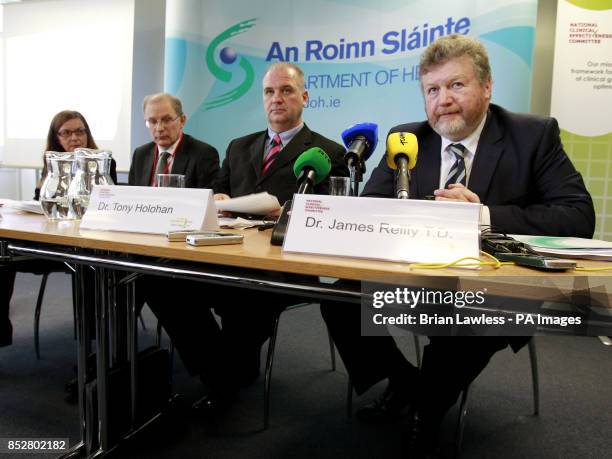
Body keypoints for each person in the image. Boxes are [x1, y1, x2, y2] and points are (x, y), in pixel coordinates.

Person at [320, 34, 594, 456]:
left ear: (487, 87)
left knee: (464, 326)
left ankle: (425, 415)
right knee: (335, 295)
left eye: (456, 85)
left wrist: (482, 214)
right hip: (414, 281)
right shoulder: (405, 141)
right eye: (432, 89)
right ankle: (408, 384)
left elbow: (578, 216)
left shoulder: (532, 135)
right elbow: (371, 207)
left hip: (495, 293)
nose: (443, 99)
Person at [146, 63, 347, 419]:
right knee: (159, 280)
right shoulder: (240, 146)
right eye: (269, 92)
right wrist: (221, 199)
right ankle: (221, 372)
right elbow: (220, 189)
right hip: (226, 252)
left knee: (245, 297)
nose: (277, 99)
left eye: (286, 90)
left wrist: (289, 212)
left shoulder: (330, 153)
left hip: (282, 266)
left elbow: (335, 219)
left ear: (304, 97)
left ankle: (223, 382)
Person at [1, 110, 117, 348]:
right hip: (51, 244)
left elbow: (104, 204)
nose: (74, 138)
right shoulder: (52, 162)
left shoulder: (103, 163)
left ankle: (94, 347)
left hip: (87, 246)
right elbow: (40, 202)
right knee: (2, 257)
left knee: (91, 266)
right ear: (56, 137)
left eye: (80, 131)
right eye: (66, 133)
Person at [128, 92, 219, 187]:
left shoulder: (203, 154)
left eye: (167, 120)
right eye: (153, 121)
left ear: (182, 120)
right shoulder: (140, 154)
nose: (159, 128)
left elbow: (205, 199)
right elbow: (132, 197)